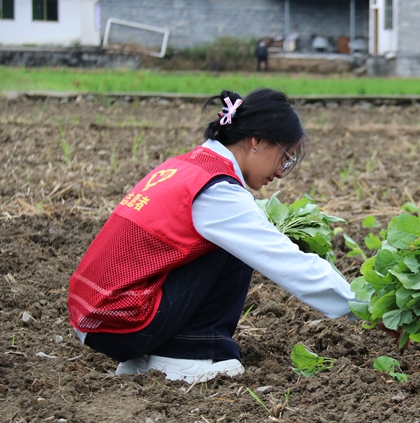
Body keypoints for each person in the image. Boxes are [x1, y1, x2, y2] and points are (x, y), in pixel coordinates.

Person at [68, 88, 355, 384]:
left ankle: (153, 356)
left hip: (98, 315)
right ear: (256, 141)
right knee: (239, 243)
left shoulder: (185, 167)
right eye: (285, 157)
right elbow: (285, 261)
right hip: (123, 321)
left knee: (233, 235)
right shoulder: (217, 190)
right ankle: (189, 353)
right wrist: (359, 306)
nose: (281, 172)